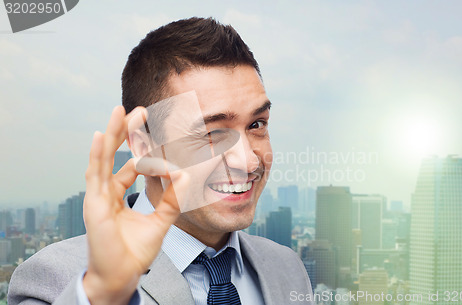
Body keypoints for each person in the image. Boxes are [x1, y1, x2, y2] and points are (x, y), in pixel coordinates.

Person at [8, 17, 313, 305]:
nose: (247, 161)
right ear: (144, 144)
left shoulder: (286, 269)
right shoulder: (56, 280)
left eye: (257, 124)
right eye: (212, 132)